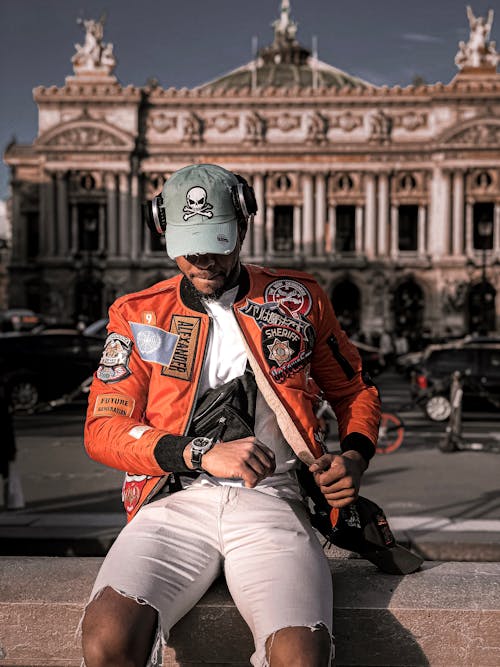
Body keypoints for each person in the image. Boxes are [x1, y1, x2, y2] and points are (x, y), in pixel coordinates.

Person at [81, 164, 381, 666]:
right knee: (108, 639)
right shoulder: (136, 313)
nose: (202, 257)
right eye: (188, 242)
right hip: (170, 504)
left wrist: (354, 456)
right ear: (162, 230)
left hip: (274, 502)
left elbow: (355, 390)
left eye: (217, 240)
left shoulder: (298, 301)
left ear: (243, 227)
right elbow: (102, 430)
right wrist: (198, 453)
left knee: (300, 656)